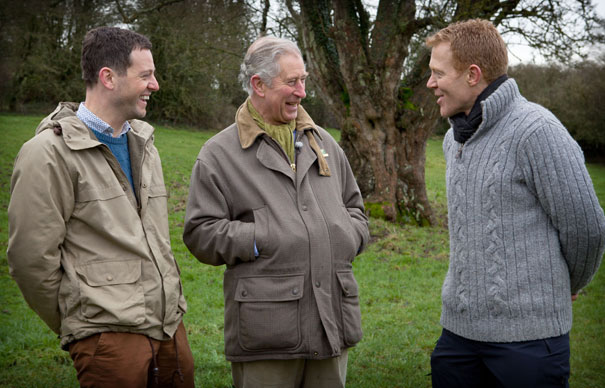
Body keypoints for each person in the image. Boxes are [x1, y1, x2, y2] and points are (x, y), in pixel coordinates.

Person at [425, 19, 605, 387]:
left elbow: (588, 230)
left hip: (530, 344)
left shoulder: (536, 131)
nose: (430, 84)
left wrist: (567, 285)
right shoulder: (453, 139)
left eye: (438, 74)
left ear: (473, 75)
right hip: (458, 337)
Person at [7, 26, 194, 387]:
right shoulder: (48, 154)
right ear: (108, 77)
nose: (155, 84)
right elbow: (30, 259)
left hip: (170, 328)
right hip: (108, 340)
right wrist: (84, 326)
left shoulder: (146, 145)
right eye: (146, 75)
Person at [183, 35, 369, 388]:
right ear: (259, 85)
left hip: (332, 323)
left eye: (304, 80)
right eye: (292, 82)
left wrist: (345, 236)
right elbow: (200, 233)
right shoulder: (218, 154)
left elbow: (355, 209)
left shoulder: (325, 143)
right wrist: (261, 236)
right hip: (266, 334)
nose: (302, 92)